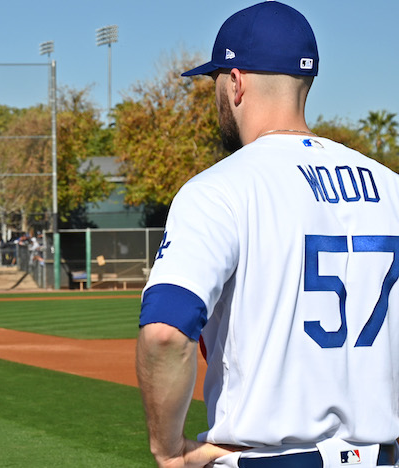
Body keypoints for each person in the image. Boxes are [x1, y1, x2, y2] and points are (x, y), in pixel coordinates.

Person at [135, 2, 399, 468]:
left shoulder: (217, 190)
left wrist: (168, 450)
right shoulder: (391, 187)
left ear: (235, 82)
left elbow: (164, 334)